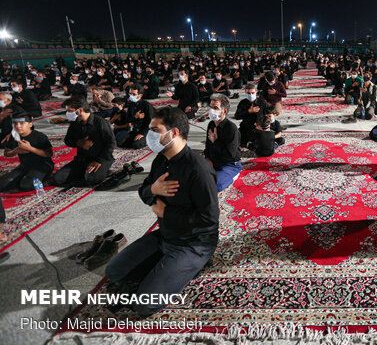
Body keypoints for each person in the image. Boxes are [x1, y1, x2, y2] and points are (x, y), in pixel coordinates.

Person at [105, 106, 219, 316]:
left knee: (144, 305)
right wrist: (152, 189)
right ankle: (166, 270)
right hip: (165, 235)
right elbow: (144, 192)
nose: (150, 135)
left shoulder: (199, 169)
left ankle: (196, 264)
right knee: (113, 272)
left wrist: (166, 213)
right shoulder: (161, 160)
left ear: (173, 132)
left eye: (155, 130)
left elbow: (208, 219)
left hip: (194, 243)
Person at [52, 96, 116, 187]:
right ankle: (85, 174)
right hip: (82, 159)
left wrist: (99, 160)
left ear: (80, 110)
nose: (68, 113)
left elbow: (111, 143)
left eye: (70, 111)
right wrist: (79, 143)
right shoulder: (76, 122)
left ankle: (103, 170)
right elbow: (68, 140)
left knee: (90, 179)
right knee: (58, 179)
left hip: (100, 158)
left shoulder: (100, 122)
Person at [0, 113, 54, 191]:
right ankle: (23, 178)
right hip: (24, 166)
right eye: (15, 124)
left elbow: (49, 154)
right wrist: (16, 151)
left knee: (26, 186)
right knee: (2, 184)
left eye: (22, 123)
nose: (18, 126)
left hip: (42, 166)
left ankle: (46, 177)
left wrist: (30, 148)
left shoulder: (39, 136)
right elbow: (6, 153)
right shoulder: (14, 136)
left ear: (30, 124)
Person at [203, 94, 242, 191]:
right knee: (193, 177)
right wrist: (208, 159)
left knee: (213, 185)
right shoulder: (211, 124)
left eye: (215, 108)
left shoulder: (231, 129)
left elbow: (230, 155)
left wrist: (215, 142)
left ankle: (233, 176)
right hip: (213, 161)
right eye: (211, 107)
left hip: (229, 164)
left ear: (224, 111)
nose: (212, 110)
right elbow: (208, 145)